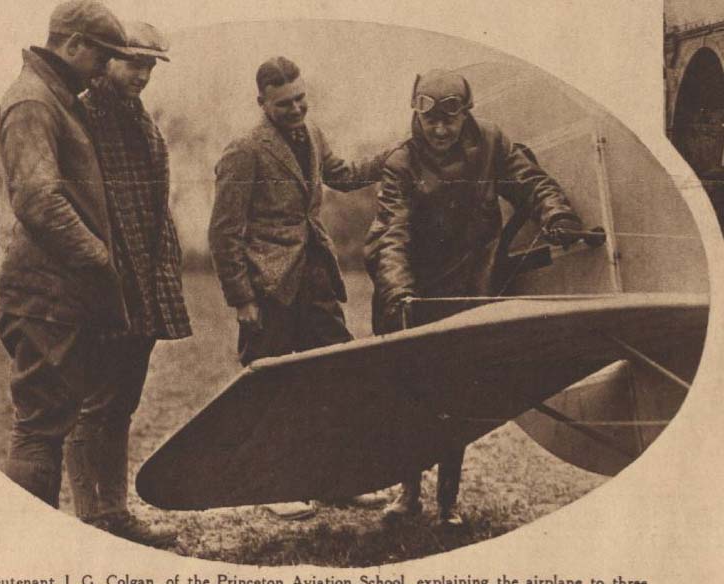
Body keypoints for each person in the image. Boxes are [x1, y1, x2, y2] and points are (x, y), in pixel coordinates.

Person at [364, 69, 582, 525]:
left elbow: (532, 182)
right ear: (416, 116)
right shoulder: (400, 164)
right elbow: (390, 236)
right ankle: (408, 494)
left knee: (458, 397)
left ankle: (448, 504)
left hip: (471, 290)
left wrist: (556, 213)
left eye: (452, 119)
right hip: (411, 297)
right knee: (409, 396)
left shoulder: (493, 145)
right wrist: (400, 293)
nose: (441, 131)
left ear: (467, 113)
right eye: (431, 122)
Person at [208, 56, 387, 520]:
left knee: (335, 374)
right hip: (268, 286)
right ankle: (268, 485)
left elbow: (344, 176)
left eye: (302, 98)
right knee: (268, 385)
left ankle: (337, 483)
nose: (297, 109)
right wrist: (243, 299)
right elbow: (224, 232)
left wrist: (395, 157)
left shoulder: (314, 135)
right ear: (263, 103)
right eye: (285, 103)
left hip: (315, 277)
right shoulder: (244, 150)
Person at [0, 1, 130, 516]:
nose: (105, 70)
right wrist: (101, 258)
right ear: (73, 45)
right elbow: (37, 200)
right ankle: (28, 549)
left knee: (50, 422)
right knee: (40, 428)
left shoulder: (56, 97)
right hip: (43, 296)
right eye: (103, 56)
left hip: (57, 295)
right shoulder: (32, 101)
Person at [63, 21, 190, 546]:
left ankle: (113, 511)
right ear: (107, 59)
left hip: (145, 284)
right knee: (92, 402)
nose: (141, 74)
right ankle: (92, 517)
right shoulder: (82, 116)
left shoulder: (140, 119)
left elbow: (154, 207)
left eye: (149, 65)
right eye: (132, 62)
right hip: (102, 284)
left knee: (122, 401)